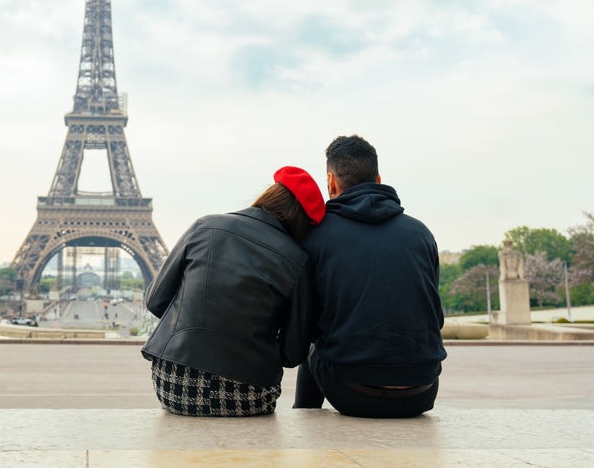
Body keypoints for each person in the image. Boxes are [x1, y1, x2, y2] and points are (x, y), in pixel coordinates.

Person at [142, 167, 326, 416]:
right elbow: (292, 354)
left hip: (173, 384)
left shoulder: (204, 226)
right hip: (247, 394)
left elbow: (155, 301)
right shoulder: (297, 260)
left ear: (268, 196)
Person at [294, 135, 445, 418]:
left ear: (331, 182)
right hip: (422, 391)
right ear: (377, 179)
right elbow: (435, 317)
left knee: (313, 347)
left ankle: (304, 417)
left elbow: (306, 324)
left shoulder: (315, 236)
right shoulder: (421, 233)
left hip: (352, 392)